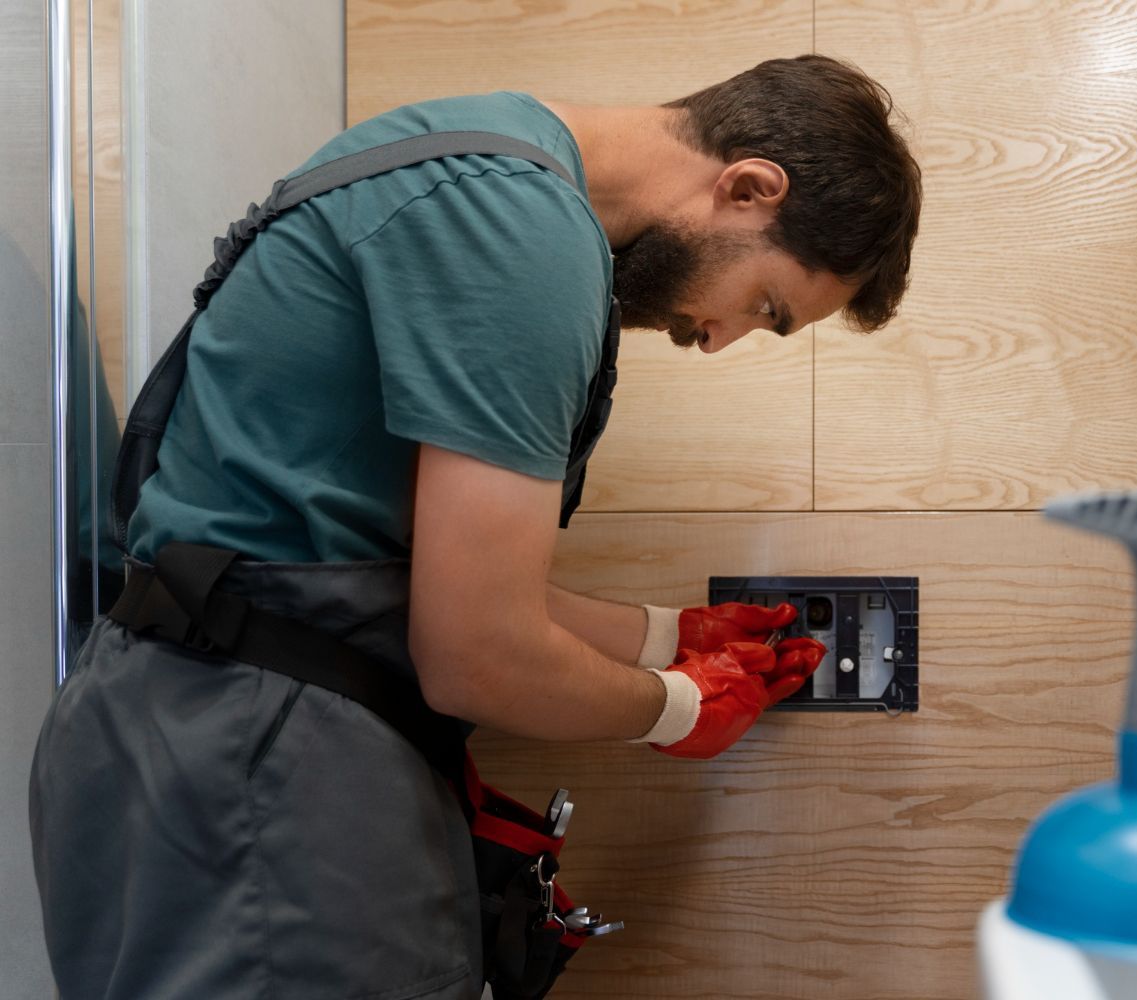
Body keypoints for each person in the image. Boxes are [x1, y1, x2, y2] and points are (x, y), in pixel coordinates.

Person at [30, 54, 922, 999]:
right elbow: (476, 650)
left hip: (188, 733)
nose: (715, 338)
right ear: (748, 188)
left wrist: (672, 635)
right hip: (257, 767)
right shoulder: (526, 237)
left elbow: (415, 572)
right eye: (764, 306)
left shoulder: (468, 154)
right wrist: (677, 710)